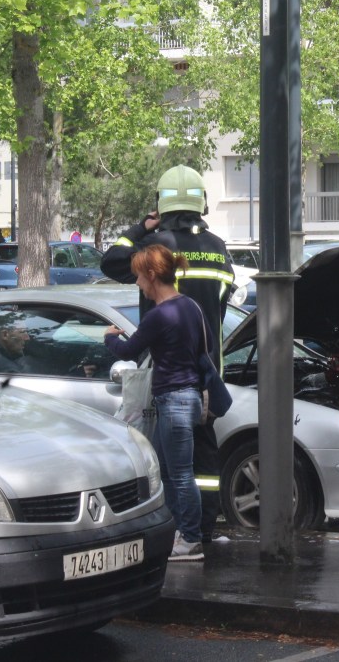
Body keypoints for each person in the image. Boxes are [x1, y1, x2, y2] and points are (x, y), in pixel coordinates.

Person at [102, 164, 235, 543]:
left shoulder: (156, 247)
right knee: (205, 452)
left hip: (167, 374)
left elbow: (110, 262)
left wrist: (140, 228)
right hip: (209, 370)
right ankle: (206, 528)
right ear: (202, 202)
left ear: (161, 204)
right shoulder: (218, 249)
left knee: (167, 459)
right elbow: (222, 308)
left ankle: (178, 529)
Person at [104, 245, 209, 561]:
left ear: (151, 275)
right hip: (187, 397)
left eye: (138, 276)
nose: (137, 283)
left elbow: (127, 351)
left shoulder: (158, 315)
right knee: (166, 470)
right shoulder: (190, 306)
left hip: (173, 399)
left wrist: (109, 336)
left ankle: (191, 539)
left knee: (179, 474)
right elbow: (205, 349)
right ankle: (181, 532)